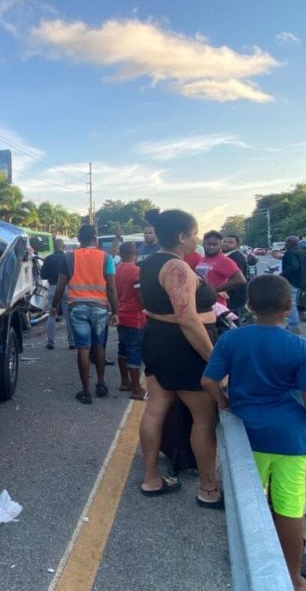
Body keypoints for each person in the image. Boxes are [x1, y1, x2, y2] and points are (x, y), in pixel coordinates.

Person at [202, 274, 306, 591]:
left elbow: (208, 382)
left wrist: (227, 404)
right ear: (288, 306)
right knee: (289, 510)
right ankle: (293, 580)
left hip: (247, 438)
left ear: (248, 305)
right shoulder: (300, 347)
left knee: (250, 506)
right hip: (292, 441)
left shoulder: (232, 340)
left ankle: (248, 563)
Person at [137, 209, 221, 507]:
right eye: (196, 233)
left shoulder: (147, 262)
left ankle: (151, 479)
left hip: (157, 339)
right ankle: (208, 490)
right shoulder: (177, 268)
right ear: (182, 236)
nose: (198, 239)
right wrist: (214, 360)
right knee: (204, 418)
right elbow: (188, 319)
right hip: (182, 347)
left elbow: (151, 304)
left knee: (155, 409)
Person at [52, 224, 118, 404]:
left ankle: (86, 391)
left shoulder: (69, 257)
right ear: (95, 239)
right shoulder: (106, 258)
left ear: (79, 240)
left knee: (83, 348)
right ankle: (101, 384)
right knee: (99, 346)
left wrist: (54, 306)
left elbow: (60, 285)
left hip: (77, 307)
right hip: (100, 307)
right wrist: (115, 311)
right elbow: (111, 287)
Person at [115, 242, 146, 400]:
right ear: (135, 252)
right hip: (135, 317)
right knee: (134, 351)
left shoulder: (116, 269)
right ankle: (136, 388)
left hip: (120, 315)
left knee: (123, 349)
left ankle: (125, 381)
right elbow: (140, 294)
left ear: (120, 253)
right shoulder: (136, 271)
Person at [195, 231, 246, 307]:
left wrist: (215, 290)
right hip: (203, 302)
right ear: (203, 244)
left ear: (220, 245)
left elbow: (240, 280)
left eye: (215, 244)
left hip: (217, 304)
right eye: (209, 244)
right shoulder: (202, 259)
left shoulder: (224, 260)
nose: (211, 247)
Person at [40, 238, 69, 350]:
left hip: (52, 287)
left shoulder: (48, 258)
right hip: (66, 288)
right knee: (68, 316)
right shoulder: (67, 258)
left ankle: (50, 341)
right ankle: (71, 342)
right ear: (64, 246)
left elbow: (43, 276)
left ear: (54, 247)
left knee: (51, 314)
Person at [281, 236, 306, 334]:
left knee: (291, 302)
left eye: (287, 243)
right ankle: (292, 324)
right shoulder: (299, 252)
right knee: (292, 301)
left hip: (292, 281)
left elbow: (293, 266)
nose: (285, 245)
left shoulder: (291, 253)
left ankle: (293, 325)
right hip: (299, 281)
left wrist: (283, 274)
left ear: (291, 243)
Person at [222, 234, 249, 322]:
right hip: (230, 295)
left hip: (234, 296)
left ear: (236, 245)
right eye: (224, 241)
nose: (226, 244)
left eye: (230, 242)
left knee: (233, 320)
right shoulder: (226, 256)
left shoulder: (236, 257)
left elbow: (236, 279)